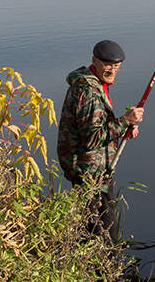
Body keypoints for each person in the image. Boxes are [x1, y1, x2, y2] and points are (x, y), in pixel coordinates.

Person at [57, 39, 145, 243]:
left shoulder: (96, 85)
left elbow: (94, 128)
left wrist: (122, 130)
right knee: (106, 234)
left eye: (116, 66)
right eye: (107, 65)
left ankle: (88, 268)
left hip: (91, 167)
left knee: (91, 227)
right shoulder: (88, 93)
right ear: (94, 60)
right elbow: (91, 139)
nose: (112, 70)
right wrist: (125, 121)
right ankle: (104, 272)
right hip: (89, 172)